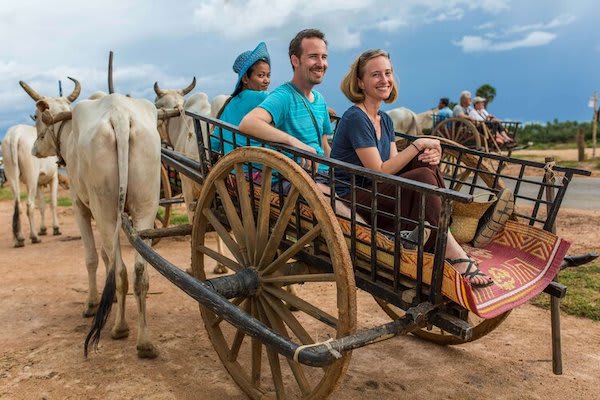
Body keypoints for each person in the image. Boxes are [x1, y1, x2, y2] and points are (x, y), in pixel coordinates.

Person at [330, 49, 493, 288]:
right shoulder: (356, 117)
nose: (384, 80)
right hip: (353, 198)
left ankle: (438, 231)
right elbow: (379, 171)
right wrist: (418, 143)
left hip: (377, 192)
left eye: (388, 73)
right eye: (375, 74)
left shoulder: (383, 119)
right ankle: (448, 243)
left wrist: (431, 154)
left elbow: (397, 166)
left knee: (423, 164)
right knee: (422, 171)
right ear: (360, 82)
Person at [239, 28, 362, 222]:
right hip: (294, 179)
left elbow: (324, 146)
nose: (321, 63)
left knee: (369, 193)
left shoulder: (319, 100)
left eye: (324, 57)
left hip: (322, 176)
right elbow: (248, 123)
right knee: (325, 196)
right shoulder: (283, 96)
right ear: (295, 60)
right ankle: (386, 246)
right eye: (313, 57)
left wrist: (341, 171)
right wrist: (292, 141)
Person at [211, 42, 271, 153]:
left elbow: (214, 141)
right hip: (257, 166)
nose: (267, 80)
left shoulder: (229, 104)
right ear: (245, 79)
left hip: (232, 167)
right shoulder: (263, 97)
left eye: (268, 75)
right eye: (261, 75)